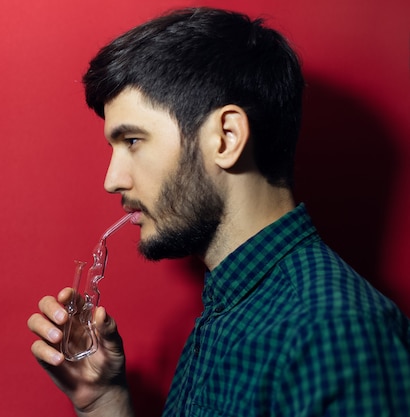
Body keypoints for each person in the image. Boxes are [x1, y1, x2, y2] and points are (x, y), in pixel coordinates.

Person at [27, 7, 410, 416]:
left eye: (134, 140)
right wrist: (103, 400)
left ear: (226, 138)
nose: (113, 179)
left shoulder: (338, 334)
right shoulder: (228, 310)